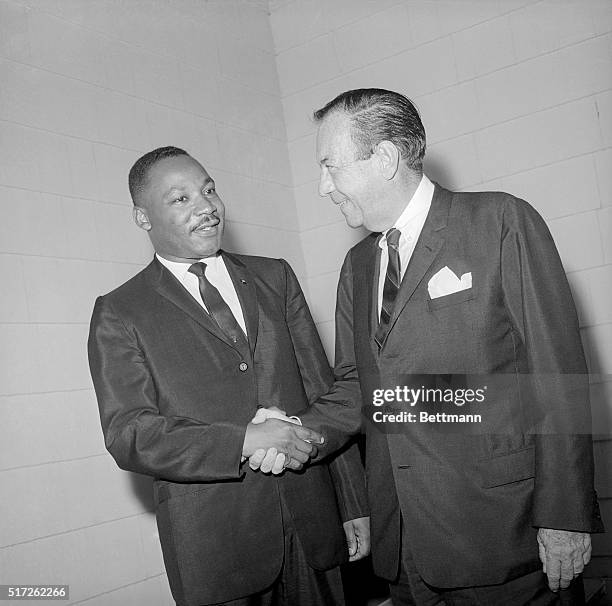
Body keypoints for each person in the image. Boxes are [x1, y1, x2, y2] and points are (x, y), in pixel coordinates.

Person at [255, 88, 604, 605]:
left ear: (387, 158)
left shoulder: (500, 221)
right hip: (406, 545)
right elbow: (362, 386)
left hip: (505, 534)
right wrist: (297, 430)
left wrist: (564, 516)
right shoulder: (358, 267)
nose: (323, 186)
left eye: (331, 166)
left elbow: (554, 376)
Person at [87, 146, 370, 606]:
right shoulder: (120, 311)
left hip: (312, 526)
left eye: (209, 190)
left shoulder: (275, 277)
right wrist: (244, 440)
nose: (206, 207)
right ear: (143, 217)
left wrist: (354, 504)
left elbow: (325, 393)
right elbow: (129, 433)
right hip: (217, 551)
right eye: (181, 199)